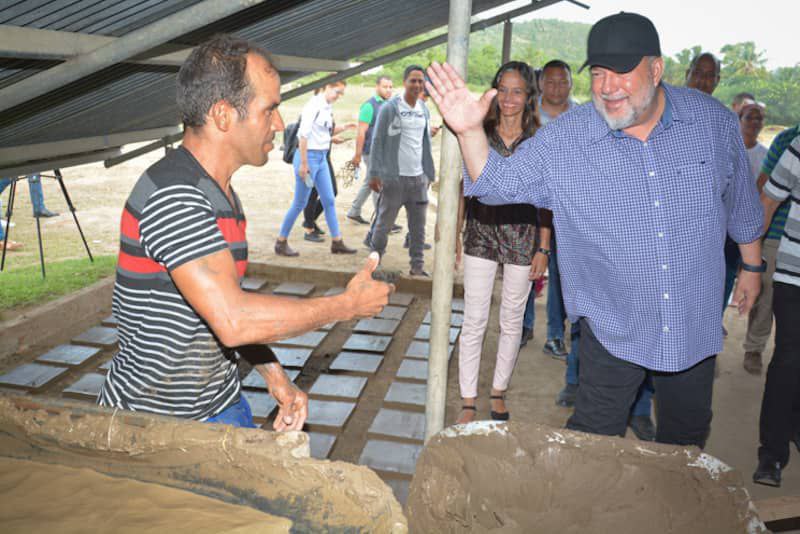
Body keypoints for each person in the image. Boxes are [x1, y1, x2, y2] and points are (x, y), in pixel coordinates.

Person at [426, 11, 763, 448]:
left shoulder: (711, 124)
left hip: (691, 316)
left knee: (687, 437)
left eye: (622, 72)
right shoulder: (568, 139)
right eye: (600, 73)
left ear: (656, 69)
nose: (607, 86)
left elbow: (741, 202)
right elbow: (496, 185)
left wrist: (752, 268)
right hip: (613, 321)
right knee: (594, 438)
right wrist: (471, 131)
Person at [99, 35, 392, 430]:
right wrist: (347, 305)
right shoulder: (176, 197)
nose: (277, 124)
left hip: (219, 403)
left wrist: (276, 378)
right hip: (155, 423)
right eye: (268, 109)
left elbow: (221, 310)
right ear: (223, 116)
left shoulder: (219, 192)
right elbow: (233, 319)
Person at [454, 61, 544, 424]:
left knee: (511, 320)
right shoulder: (479, 132)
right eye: (502, 89)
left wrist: (544, 247)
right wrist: (455, 236)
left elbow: (546, 199)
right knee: (474, 319)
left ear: (528, 96)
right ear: (493, 92)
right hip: (480, 231)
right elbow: (463, 188)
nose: (508, 98)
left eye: (517, 91)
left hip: (523, 235)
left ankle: (498, 392)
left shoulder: (540, 138)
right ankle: (468, 400)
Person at [753, 134, 800, 487]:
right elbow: (768, 200)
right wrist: (750, 265)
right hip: (795, 274)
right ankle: (772, 452)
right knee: (789, 360)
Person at [520, 59, 576, 356]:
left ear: (571, 84)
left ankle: (555, 334)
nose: (556, 87)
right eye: (551, 81)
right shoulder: (528, 116)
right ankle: (524, 325)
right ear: (541, 84)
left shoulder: (582, 117)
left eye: (562, 81)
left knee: (561, 273)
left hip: (567, 210)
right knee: (527, 267)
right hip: (531, 207)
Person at [367, 65, 436, 277]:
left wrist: (428, 172)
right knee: (383, 225)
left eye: (420, 81)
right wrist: (374, 173)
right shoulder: (391, 108)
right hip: (394, 179)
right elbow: (378, 140)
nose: (416, 85)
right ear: (405, 82)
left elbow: (423, 143)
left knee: (418, 227)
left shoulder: (424, 109)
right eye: (412, 81)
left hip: (418, 180)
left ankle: (417, 266)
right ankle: (373, 264)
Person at [275, 81, 357, 256]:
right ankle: (281, 242)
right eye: (337, 92)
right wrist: (304, 164)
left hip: (321, 157)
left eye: (341, 93)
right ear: (327, 87)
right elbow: (303, 135)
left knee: (329, 199)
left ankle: (337, 242)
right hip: (308, 158)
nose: (338, 97)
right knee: (300, 203)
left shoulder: (327, 107)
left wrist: (342, 129)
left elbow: (322, 133)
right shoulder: (313, 105)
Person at [743, 123, 800, 375]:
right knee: (766, 299)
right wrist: (754, 245)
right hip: (778, 235)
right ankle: (754, 347)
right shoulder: (787, 139)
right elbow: (765, 189)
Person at [347, 75, 394, 225]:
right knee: (377, 182)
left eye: (390, 87)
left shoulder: (389, 105)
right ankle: (381, 220)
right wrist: (357, 155)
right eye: (385, 86)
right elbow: (361, 133)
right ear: (377, 87)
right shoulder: (369, 106)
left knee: (370, 181)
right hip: (371, 152)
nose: (388, 90)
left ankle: (354, 211)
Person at [300, 114, 356, 241]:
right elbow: (309, 136)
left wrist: (344, 127)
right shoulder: (316, 110)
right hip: (314, 157)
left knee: (331, 192)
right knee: (313, 194)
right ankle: (309, 230)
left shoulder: (326, 109)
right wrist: (330, 139)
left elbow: (326, 131)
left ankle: (310, 220)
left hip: (324, 157)